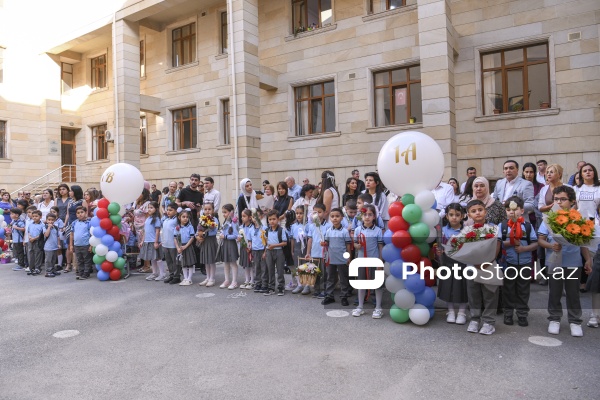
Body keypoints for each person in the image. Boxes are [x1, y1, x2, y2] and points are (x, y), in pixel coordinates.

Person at [538, 185, 591, 337]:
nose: (559, 202)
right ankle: (554, 318)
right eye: (556, 199)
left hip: (573, 261)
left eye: (563, 199)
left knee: (573, 292)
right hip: (554, 260)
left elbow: (583, 242)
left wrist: (588, 260)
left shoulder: (578, 218)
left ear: (572, 201)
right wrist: (551, 245)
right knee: (554, 291)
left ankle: (575, 320)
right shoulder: (549, 217)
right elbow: (541, 240)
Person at [498, 197, 538, 327]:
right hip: (508, 262)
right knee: (508, 288)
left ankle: (522, 314)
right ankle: (508, 312)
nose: (512, 212)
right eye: (508, 209)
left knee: (523, 289)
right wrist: (510, 243)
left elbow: (535, 243)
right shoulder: (502, 226)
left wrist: (524, 248)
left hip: (525, 262)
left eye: (515, 210)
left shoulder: (527, 226)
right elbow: (497, 244)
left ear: (521, 210)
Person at [465, 200, 502, 335]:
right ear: (469, 215)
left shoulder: (494, 228)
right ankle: (475, 319)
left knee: (489, 294)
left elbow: (497, 246)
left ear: (485, 211)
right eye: (473, 211)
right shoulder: (466, 230)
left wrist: (488, 262)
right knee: (474, 294)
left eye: (480, 209)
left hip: (489, 266)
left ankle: (489, 321)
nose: (477, 213)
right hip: (472, 267)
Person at [436, 203, 468, 325]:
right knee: (448, 287)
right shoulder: (442, 231)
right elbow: (438, 247)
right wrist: (438, 251)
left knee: (462, 287)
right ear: (447, 216)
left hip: (462, 262)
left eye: (457, 215)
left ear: (462, 216)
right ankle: (450, 311)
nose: (454, 217)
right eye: (451, 215)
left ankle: (461, 312)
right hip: (447, 262)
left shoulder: (466, 231)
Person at [352, 204, 384, 319]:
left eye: (370, 215)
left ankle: (378, 308)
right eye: (364, 214)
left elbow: (380, 247)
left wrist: (380, 262)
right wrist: (357, 245)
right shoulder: (357, 230)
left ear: (374, 217)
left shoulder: (378, 231)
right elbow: (354, 244)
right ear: (361, 216)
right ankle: (360, 306)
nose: (367, 217)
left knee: (377, 285)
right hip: (361, 261)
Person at [322, 207, 352, 306]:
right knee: (330, 277)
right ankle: (329, 296)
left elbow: (348, 245)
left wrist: (349, 257)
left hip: (342, 258)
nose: (335, 218)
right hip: (331, 258)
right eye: (332, 216)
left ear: (342, 218)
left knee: (343, 278)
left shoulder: (344, 231)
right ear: (330, 218)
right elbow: (326, 242)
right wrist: (324, 243)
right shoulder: (328, 231)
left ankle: (344, 296)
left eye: (337, 216)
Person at [305, 203, 331, 297]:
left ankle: (324, 290)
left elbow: (329, 240)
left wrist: (326, 244)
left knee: (324, 273)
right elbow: (310, 240)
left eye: (320, 212)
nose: (317, 214)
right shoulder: (311, 226)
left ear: (324, 213)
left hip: (324, 253)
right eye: (315, 212)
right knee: (315, 272)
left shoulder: (328, 226)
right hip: (314, 253)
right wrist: (308, 253)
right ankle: (316, 289)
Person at [261, 210, 288, 296]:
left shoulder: (281, 230)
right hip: (269, 251)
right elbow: (266, 242)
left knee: (280, 270)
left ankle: (281, 287)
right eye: (270, 219)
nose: (272, 221)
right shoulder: (267, 230)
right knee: (270, 270)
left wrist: (274, 245)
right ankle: (271, 287)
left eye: (274, 219)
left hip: (279, 251)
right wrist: (265, 252)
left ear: (278, 220)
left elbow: (285, 242)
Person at [63, 185, 87, 274]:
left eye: (71, 191)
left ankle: (78, 265)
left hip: (79, 224)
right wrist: (65, 225)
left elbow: (86, 214)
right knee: (69, 245)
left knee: (78, 244)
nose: (70, 192)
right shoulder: (70, 201)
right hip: (70, 224)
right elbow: (67, 214)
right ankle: (68, 264)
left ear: (75, 191)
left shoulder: (82, 201)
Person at [139, 202, 165, 281]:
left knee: (157, 257)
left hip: (153, 241)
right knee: (152, 258)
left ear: (156, 209)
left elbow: (157, 231)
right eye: (148, 207)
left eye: (151, 208)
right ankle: (154, 273)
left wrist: (156, 242)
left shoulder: (156, 219)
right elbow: (145, 231)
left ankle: (162, 273)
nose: (149, 209)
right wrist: (142, 241)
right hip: (147, 241)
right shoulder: (148, 219)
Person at [196, 203, 219, 287]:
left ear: (213, 210)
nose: (207, 211)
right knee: (206, 261)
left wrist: (204, 232)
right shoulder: (202, 219)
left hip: (210, 241)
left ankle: (212, 278)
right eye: (205, 209)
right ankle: (208, 277)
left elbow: (214, 230)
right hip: (204, 241)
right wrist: (198, 235)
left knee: (211, 261)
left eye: (209, 209)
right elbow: (198, 229)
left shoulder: (214, 219)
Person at [219, 204, 240, 290]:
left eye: (225, 212)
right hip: (225, 244)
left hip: (231, 243)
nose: (224, 214)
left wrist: (226, 237)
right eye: (223, 212)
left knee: (232, 263)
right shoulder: (225, 221)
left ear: (231, 212)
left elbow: (235, 235)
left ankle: (234, 281)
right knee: (226, 263)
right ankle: (227, 280)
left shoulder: (234, 222)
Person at [70, 206, 93, 280]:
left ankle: (86, 273)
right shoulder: (74, 223)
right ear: (76, 214)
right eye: (78, 213)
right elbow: (71, 234)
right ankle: (80, 272)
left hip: (86, 244)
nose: (80, 214)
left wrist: (91, 245)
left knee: (87, 259)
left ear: (86, 213)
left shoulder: (89, 222)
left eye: (82, 212)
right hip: (77, 244)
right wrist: (71, 245)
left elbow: (91, 234)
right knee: (79, 259)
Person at [248, 208, 267, 293]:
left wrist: (265, 251)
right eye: (253, 217)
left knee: (263, 267)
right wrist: (249, 245)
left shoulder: (264, 228)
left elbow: (267, 241)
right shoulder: (251, 228)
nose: (255, 219)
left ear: (261, 217)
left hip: (262, 250)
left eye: (257, 216)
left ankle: (264, 284)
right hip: (255, 251)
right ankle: (257, 283)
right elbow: (249, 240)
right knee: (256, 267)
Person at [161, 203, 181, 285]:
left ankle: (177, 276)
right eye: (167, 210)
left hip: (173, 244)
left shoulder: (176, 220)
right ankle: (171, 274)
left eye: (170, 210)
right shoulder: (166, 219)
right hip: (166, 243)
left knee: (175, 261)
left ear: (176, 211)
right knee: (168, 261)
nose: (168, 212)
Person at [176, 209, 196, 286]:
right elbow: (175, 238)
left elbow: (192, 238)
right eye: (183, 217)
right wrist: (178, 247)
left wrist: (185, 246)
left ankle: (189, 279)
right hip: (181, 246)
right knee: (183, 263)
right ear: (179, 217)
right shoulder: (177, 227)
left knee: (189, 263)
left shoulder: (190, 227)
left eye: (187, 217)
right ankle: (185, 278)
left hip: (188, 246)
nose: (185, 218)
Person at [134, 189, 152, 273]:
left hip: (143, 228)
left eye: (139, 193)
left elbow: (148, 216)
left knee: (145, 247)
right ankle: (144, 265)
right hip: (138, 228)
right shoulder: (137, 203)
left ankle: (148, 266)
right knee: (142, 247)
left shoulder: (147, 204)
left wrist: (146, 228)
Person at [290, 206, 307, 293]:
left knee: (305, 265)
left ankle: (306, 285)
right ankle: (299, 284)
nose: (299, 215)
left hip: (305, 246)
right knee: (297, 265)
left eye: (301, 213)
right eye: (297, 213)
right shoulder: (293, 226)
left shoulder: (307, 225)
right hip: (297, 247)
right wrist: (292, 250)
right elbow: (292, 239)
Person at [238, 209, 254, 289]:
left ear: (250, 217)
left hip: (250, 248)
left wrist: (250, 245)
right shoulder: (241, 227)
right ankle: (247, 280)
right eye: (242, 216)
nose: (242, 218)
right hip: (243, 247)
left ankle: (252, 281)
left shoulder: (252, 227)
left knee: (250, 265)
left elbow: (252, 237)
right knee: (245, 265)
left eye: (244, 216)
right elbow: (238, 236)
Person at [42, 213, 61, 278]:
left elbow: (58, 236)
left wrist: (58, 244)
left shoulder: (56, 227)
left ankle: (52, 270)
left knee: (53, 260)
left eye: (52, 220)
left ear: (55, 220)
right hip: (48, 247)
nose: (50, 221)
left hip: (54, 246)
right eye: (49, 220)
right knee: (48, 260)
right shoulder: (45, 227)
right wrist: (49, 227)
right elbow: (46, 235)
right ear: (46, 220)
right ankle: (48, 271)